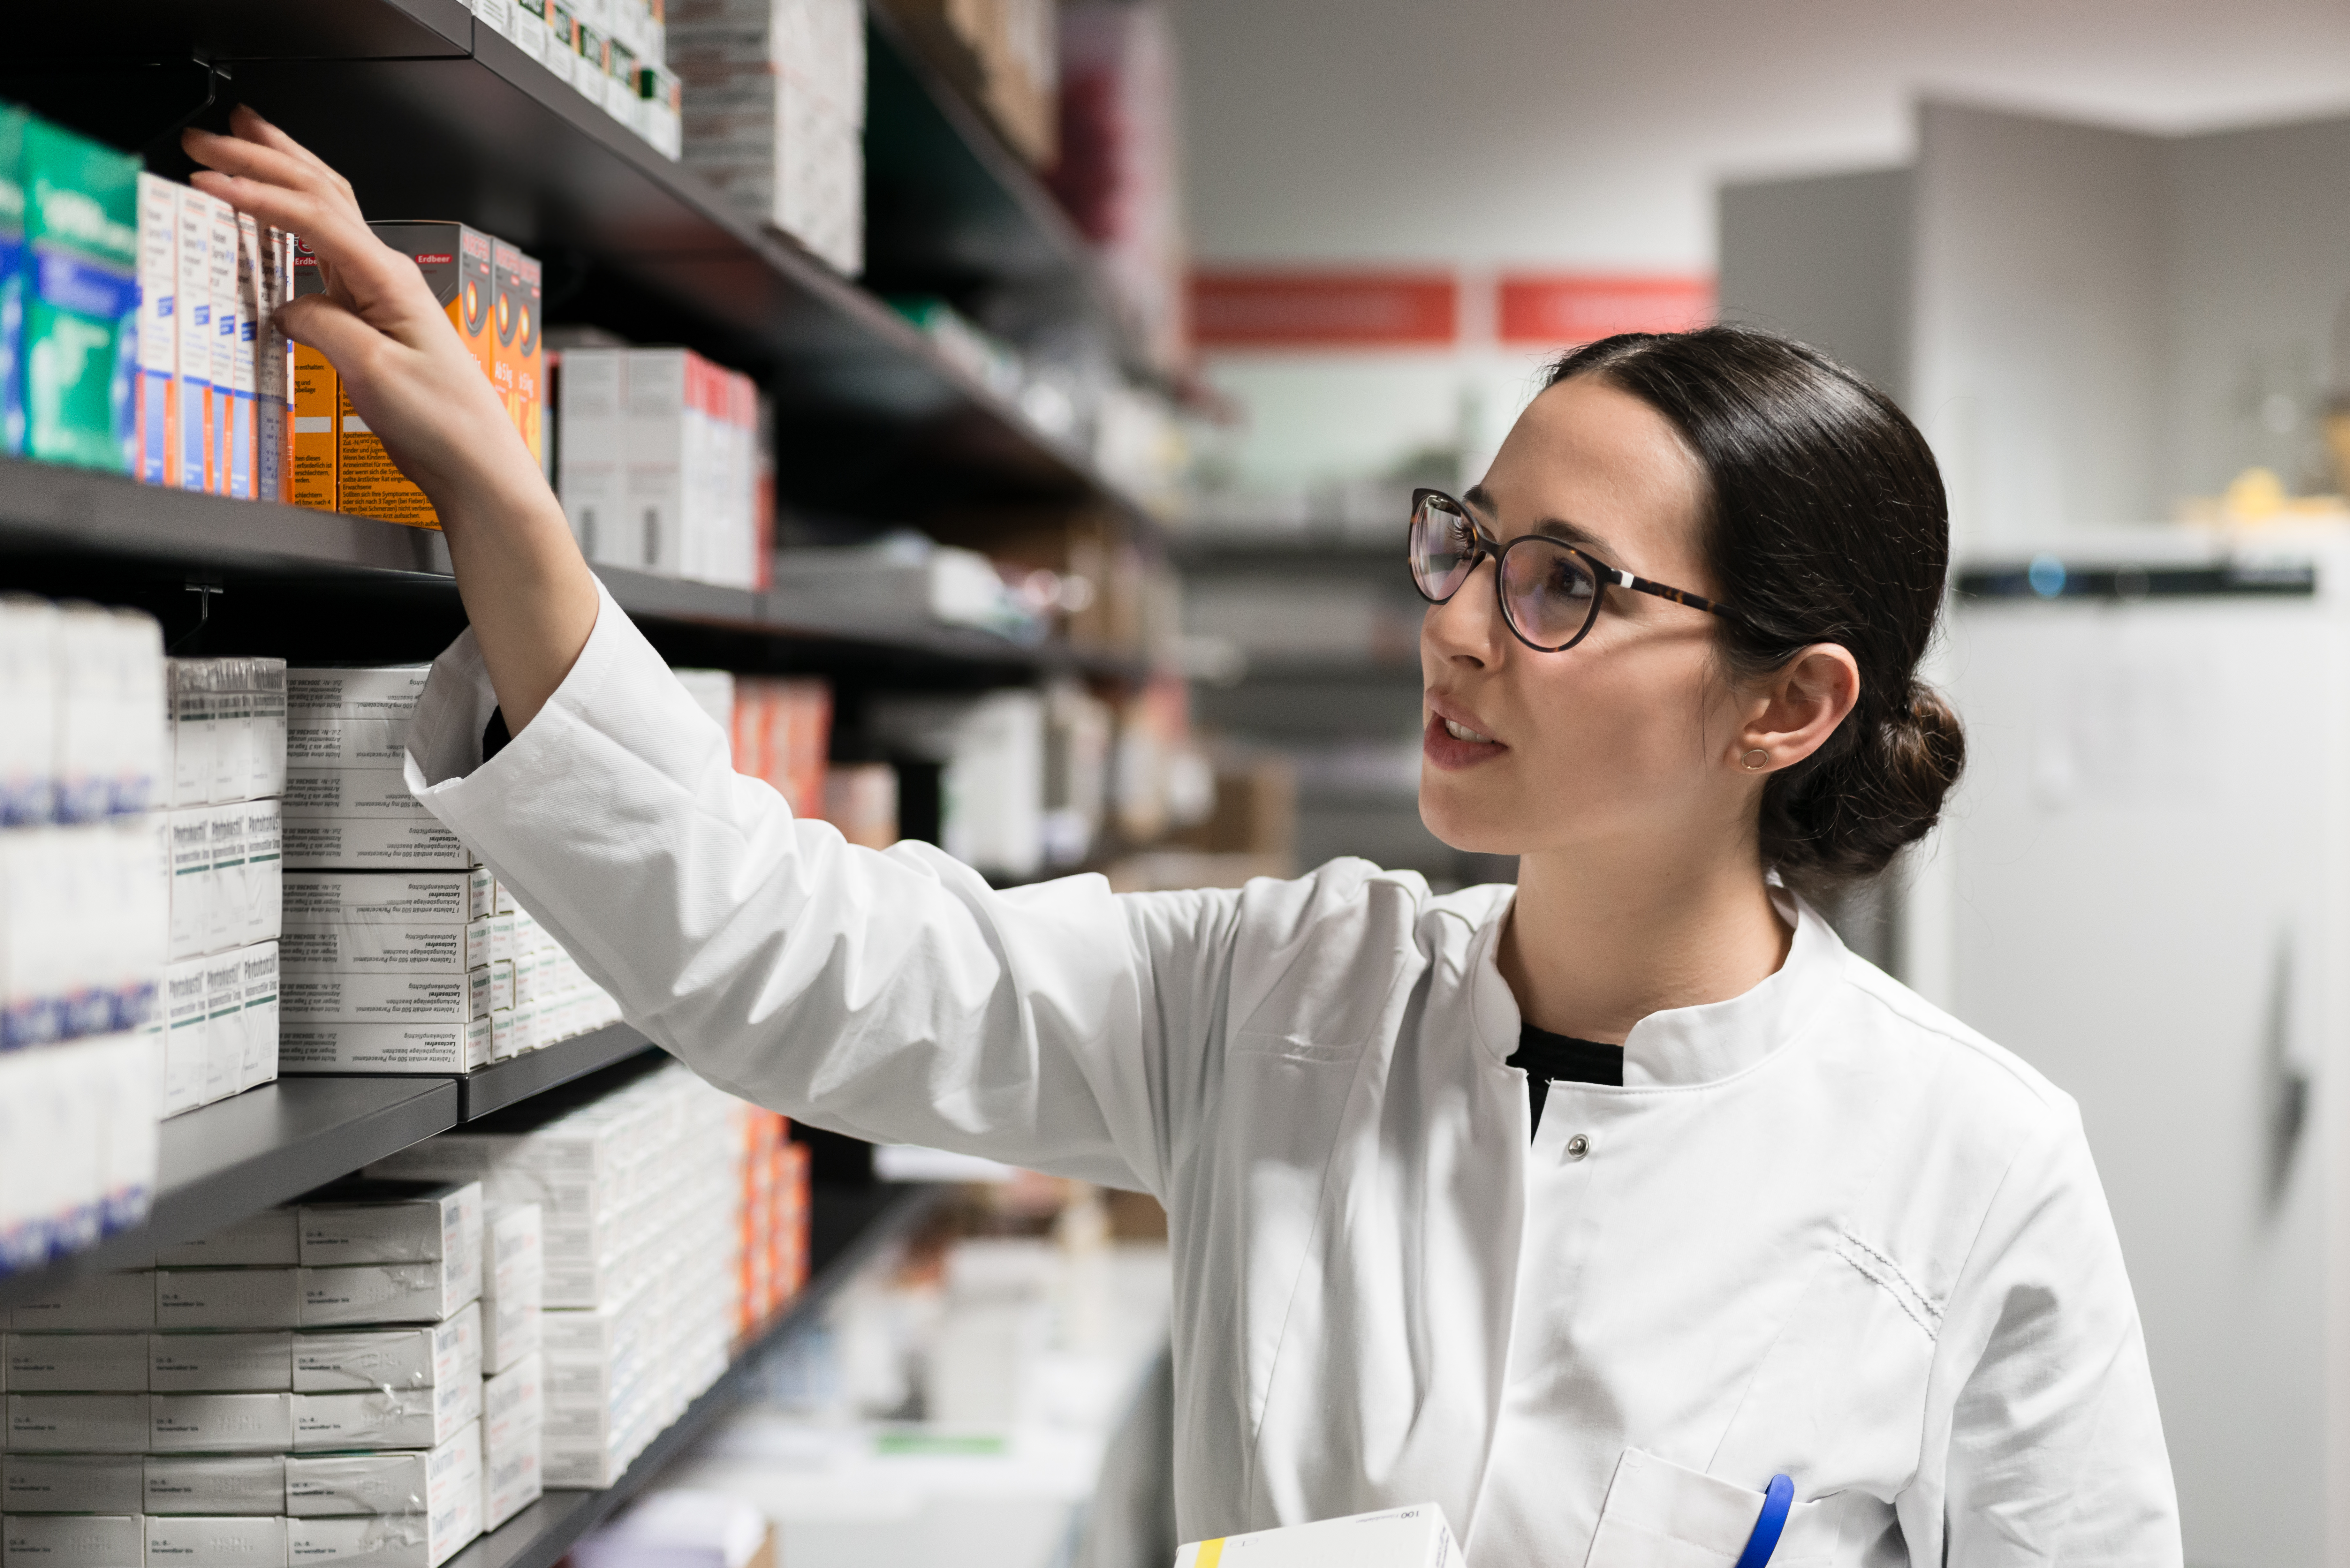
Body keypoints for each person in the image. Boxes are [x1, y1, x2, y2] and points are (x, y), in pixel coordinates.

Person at [188, 108, 2181, 1566]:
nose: (1461, 625)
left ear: (1788, 703)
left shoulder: (1976, 1167)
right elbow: (787, 954)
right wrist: (507, 505)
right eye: (1470, 544)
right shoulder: (1284, 995)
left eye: (1565, 586)